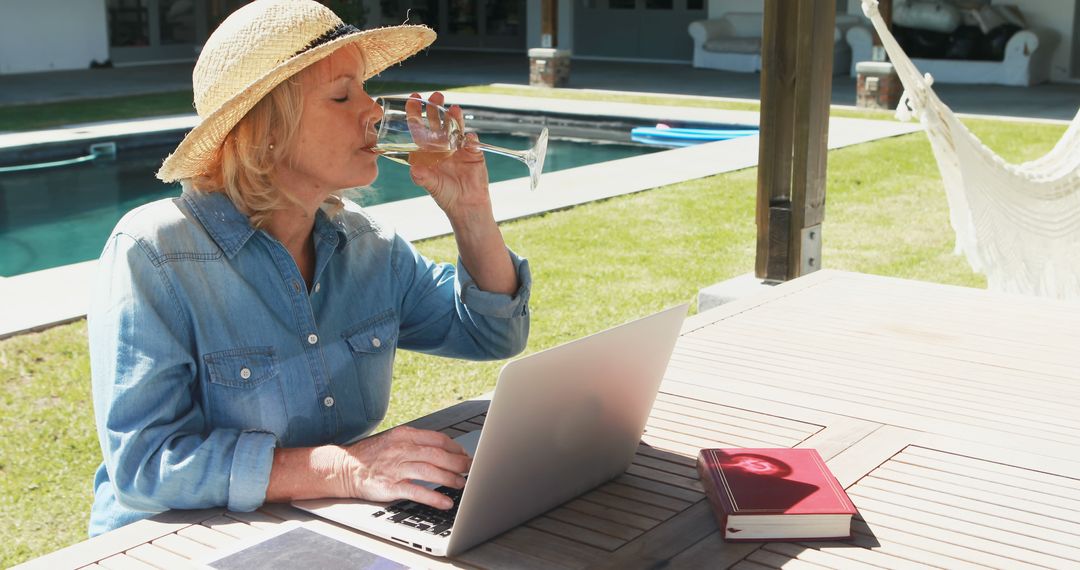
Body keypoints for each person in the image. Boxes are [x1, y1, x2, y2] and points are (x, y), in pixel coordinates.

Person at [87, 0, 531, 536]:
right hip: (168, 542)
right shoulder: (156, 254)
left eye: (364, 90)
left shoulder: (368, 246)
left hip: (313, 526)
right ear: (267, 129)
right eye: (342, 94)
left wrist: (471, 210)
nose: (373, 110)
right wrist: (344, 468)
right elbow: (146, 465)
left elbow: (491, 333)